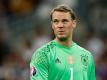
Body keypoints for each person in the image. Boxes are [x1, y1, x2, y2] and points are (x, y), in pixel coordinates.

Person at [30, 4, 96, 80]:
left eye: (64, 21)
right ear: (52, 25)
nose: (60, 25)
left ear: (74, 23)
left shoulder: (87, 56)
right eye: (56, 21)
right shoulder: (42, 54)